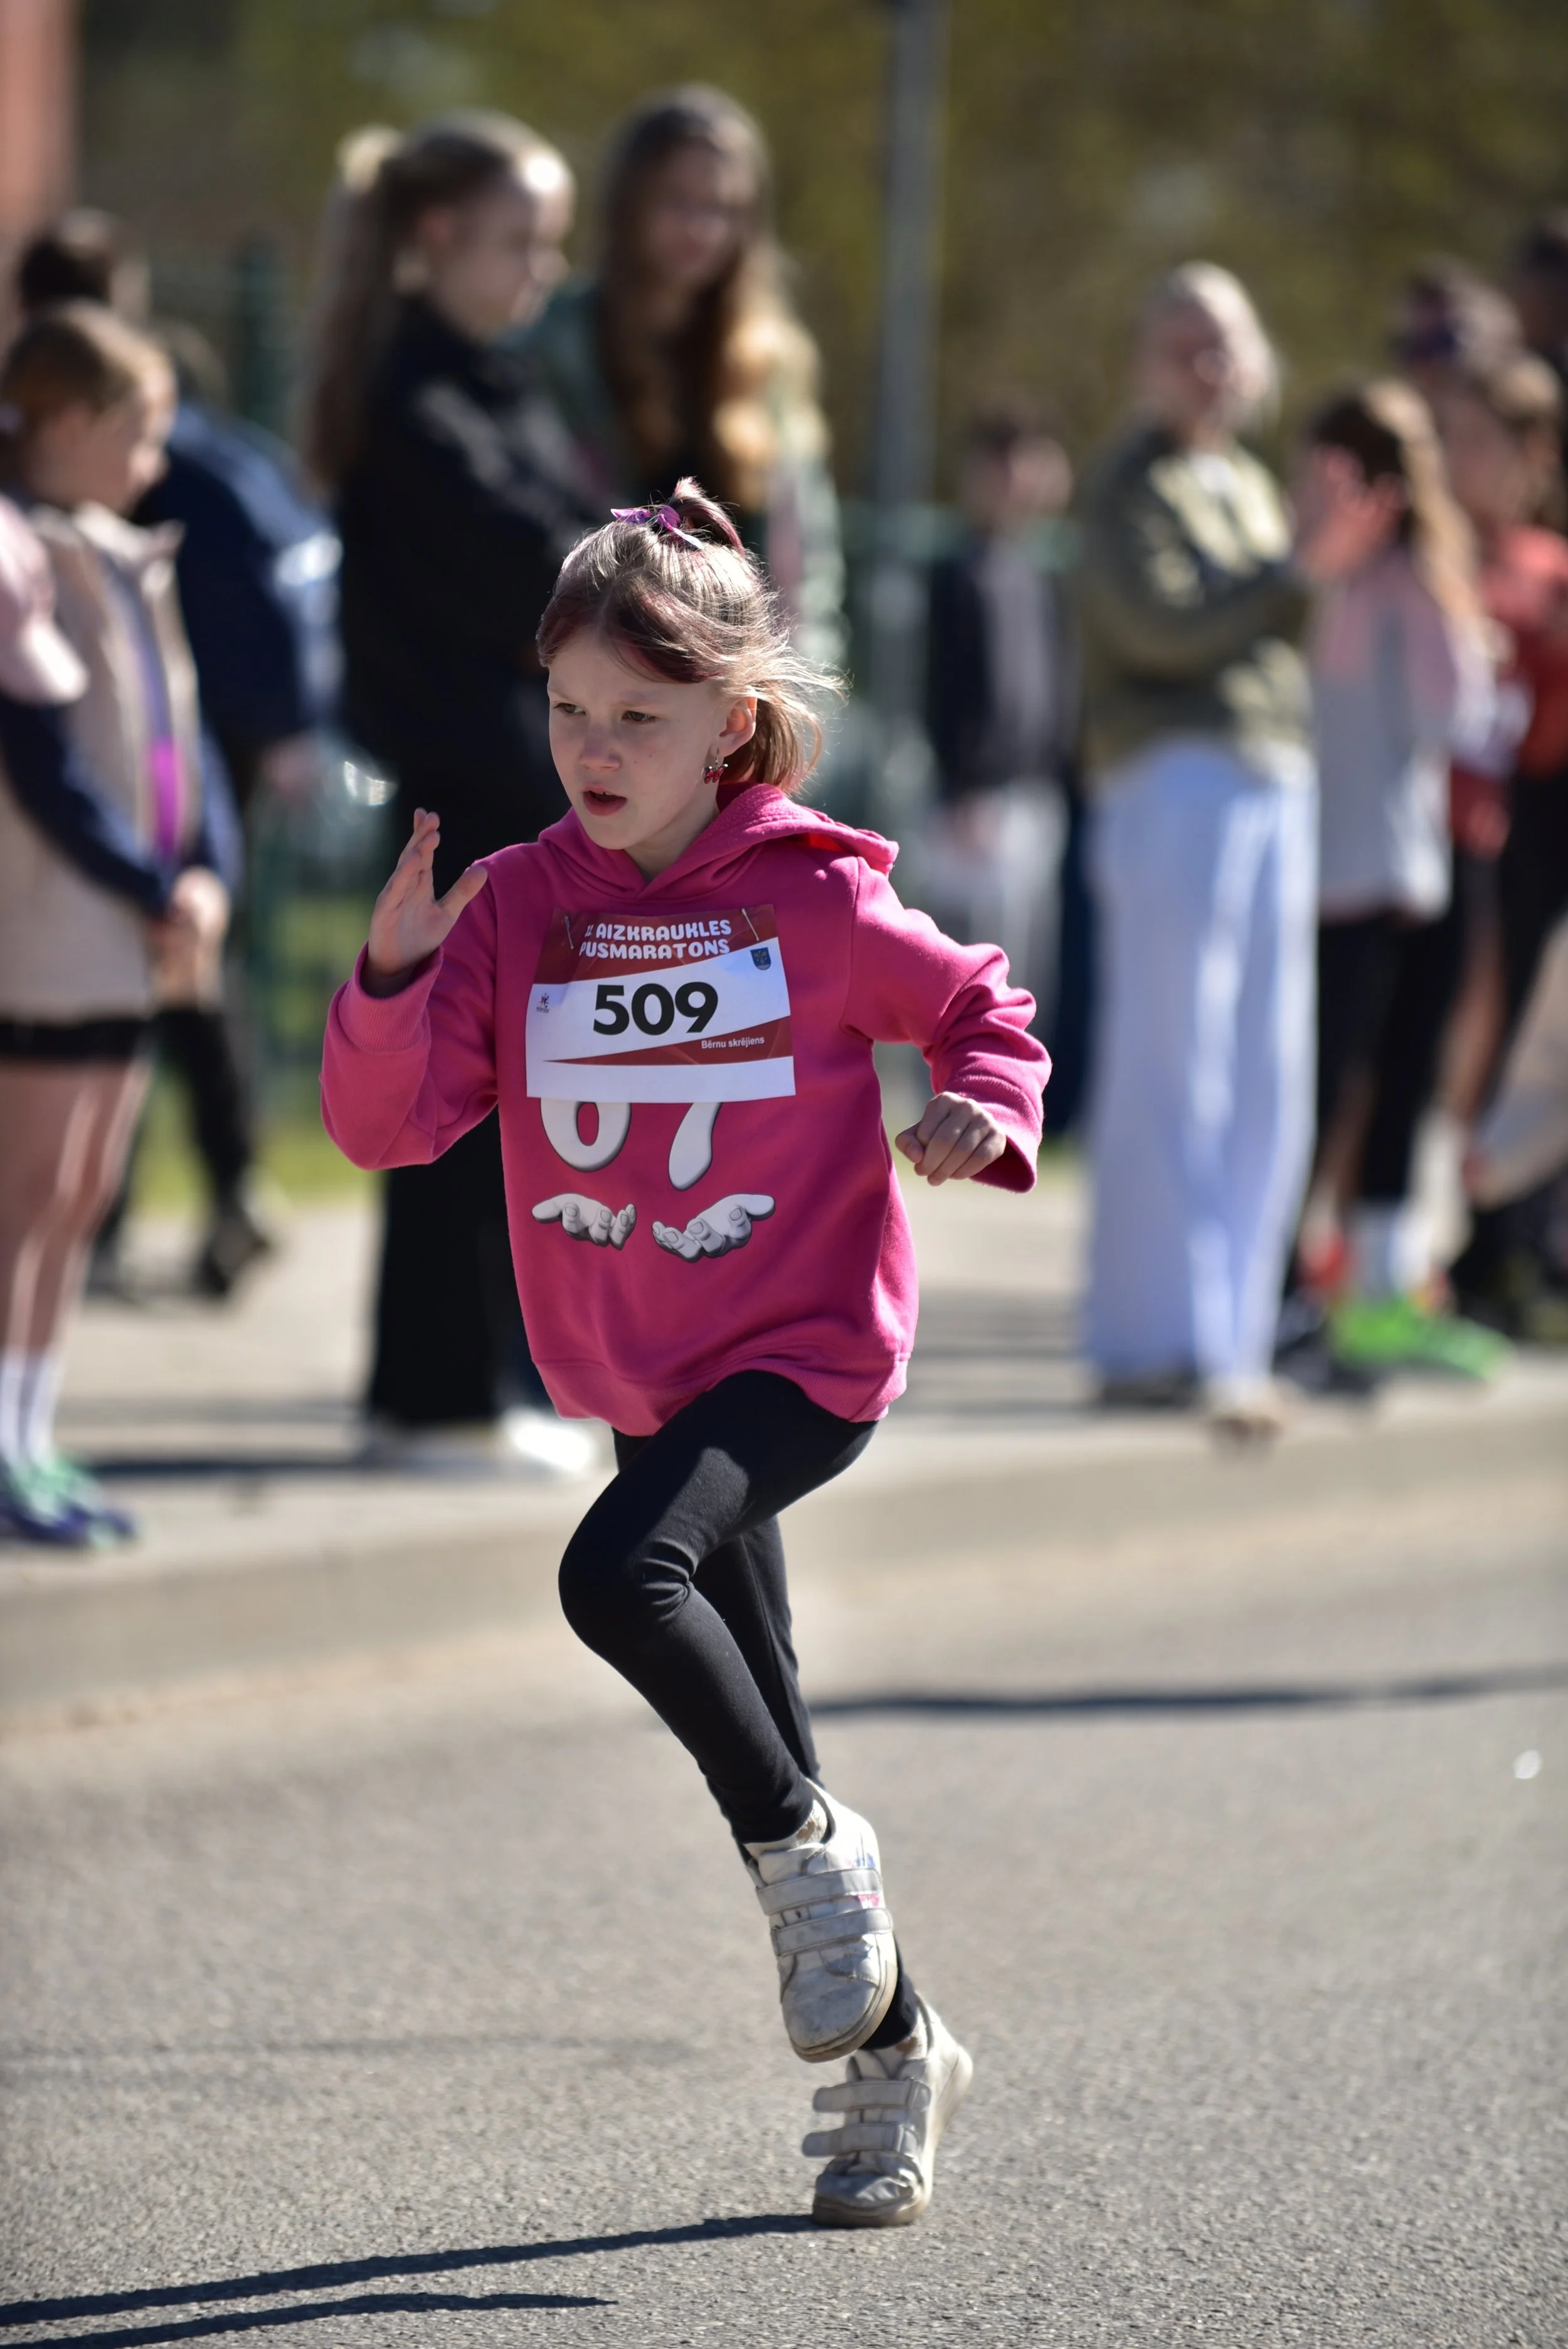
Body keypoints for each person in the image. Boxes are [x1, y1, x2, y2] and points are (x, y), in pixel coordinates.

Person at [320, 482, 1050, 2226]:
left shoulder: (811, 900)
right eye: (567, 707)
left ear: (729, 726)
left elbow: (979, 1002)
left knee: (617, 1577)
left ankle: (810, 1861)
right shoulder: (515, 906)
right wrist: (390, 975)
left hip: (801, 1355)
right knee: (767, 1717)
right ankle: (900, 2050)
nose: (592, 746)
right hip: (643, 1371)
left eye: (637, 718)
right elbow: (390, 1128)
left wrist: (979, 1105)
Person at [300, 111, 600, 1473]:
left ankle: (473, 1382)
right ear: (437, 236)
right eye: (521, 240)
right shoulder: (417, 405)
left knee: (499, 1085)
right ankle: (439, 1395)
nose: (543, 269)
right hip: (461, 794)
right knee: (457, 1089)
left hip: (501, 782)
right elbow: (527, 572)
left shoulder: (489, 384)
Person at [1076, 263, 1380, 1434]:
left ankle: (1232, 1335)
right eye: (1184, 345)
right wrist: (1294, 572)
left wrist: (1303, 570)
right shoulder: (1129, 484)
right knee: (1175, 1059)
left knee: (1264, 1066)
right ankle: (1152, 1335)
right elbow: (1157, 627)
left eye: (1226, 345)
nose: (1209, 368)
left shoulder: (1248, 484)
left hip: (1267, 776)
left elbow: (1283, 623)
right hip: (1172, 776)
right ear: (1144, 362)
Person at [14, 210, 338, 1298]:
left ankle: (148, 1211)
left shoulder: (130, 506)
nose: (149, 463)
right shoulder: (54, 532)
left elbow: (163, 706)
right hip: (120, 833)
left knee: (138, 1008)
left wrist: (193, 865)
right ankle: (216, 1185)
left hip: (152, 806)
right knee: (171, 992)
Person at [0, 307, 228, 1543]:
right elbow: (42, 763)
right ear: (75, 424)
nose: (154, 462)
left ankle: (33, 1436)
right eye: (139, 434)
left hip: (136, 927)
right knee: (26, 1191)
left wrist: (205, 868)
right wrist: (149, 879)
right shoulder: (19, 552)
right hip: (53, 929)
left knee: (84, 1190)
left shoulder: (134, 555)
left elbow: (184, 744)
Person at [1288, 382, 1503, 1379]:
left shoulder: (1385, 578)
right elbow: (1457, 711)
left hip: (1385, 866)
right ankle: (1301, 1290)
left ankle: (1368, 1291)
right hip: (1354, 870)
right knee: (1339, 1086)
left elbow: (1449, 710)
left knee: (1382, 1083)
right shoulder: (1358, 581)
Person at [525, 84, 844, 665]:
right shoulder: (556, 344)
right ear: (630, 205)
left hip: (730, 682)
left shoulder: (770, 359)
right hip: (593, 674)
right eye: (676, 200)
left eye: (723, 208)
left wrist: (797, 691)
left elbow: (805, 569)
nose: (700, 228)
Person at [1439, 353, 1568, 1337]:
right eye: (1454, 438)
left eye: (1484, 441)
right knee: (1447, 1039)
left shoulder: (1547, 567)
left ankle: (1509, 1246)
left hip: (1535, 827)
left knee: (1526, 1042)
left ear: (1535, 454)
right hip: (1448, 827)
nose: (1462, 459)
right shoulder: (1435, 555)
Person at [923, 400, 1080, 1046]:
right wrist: (961, 788)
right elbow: (939, 689)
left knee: (1024, 979)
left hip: (1034, 796)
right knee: (969, 981)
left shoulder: (1036, 573)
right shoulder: (955, 573)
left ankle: (1008, 1094)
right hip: (976, 806)